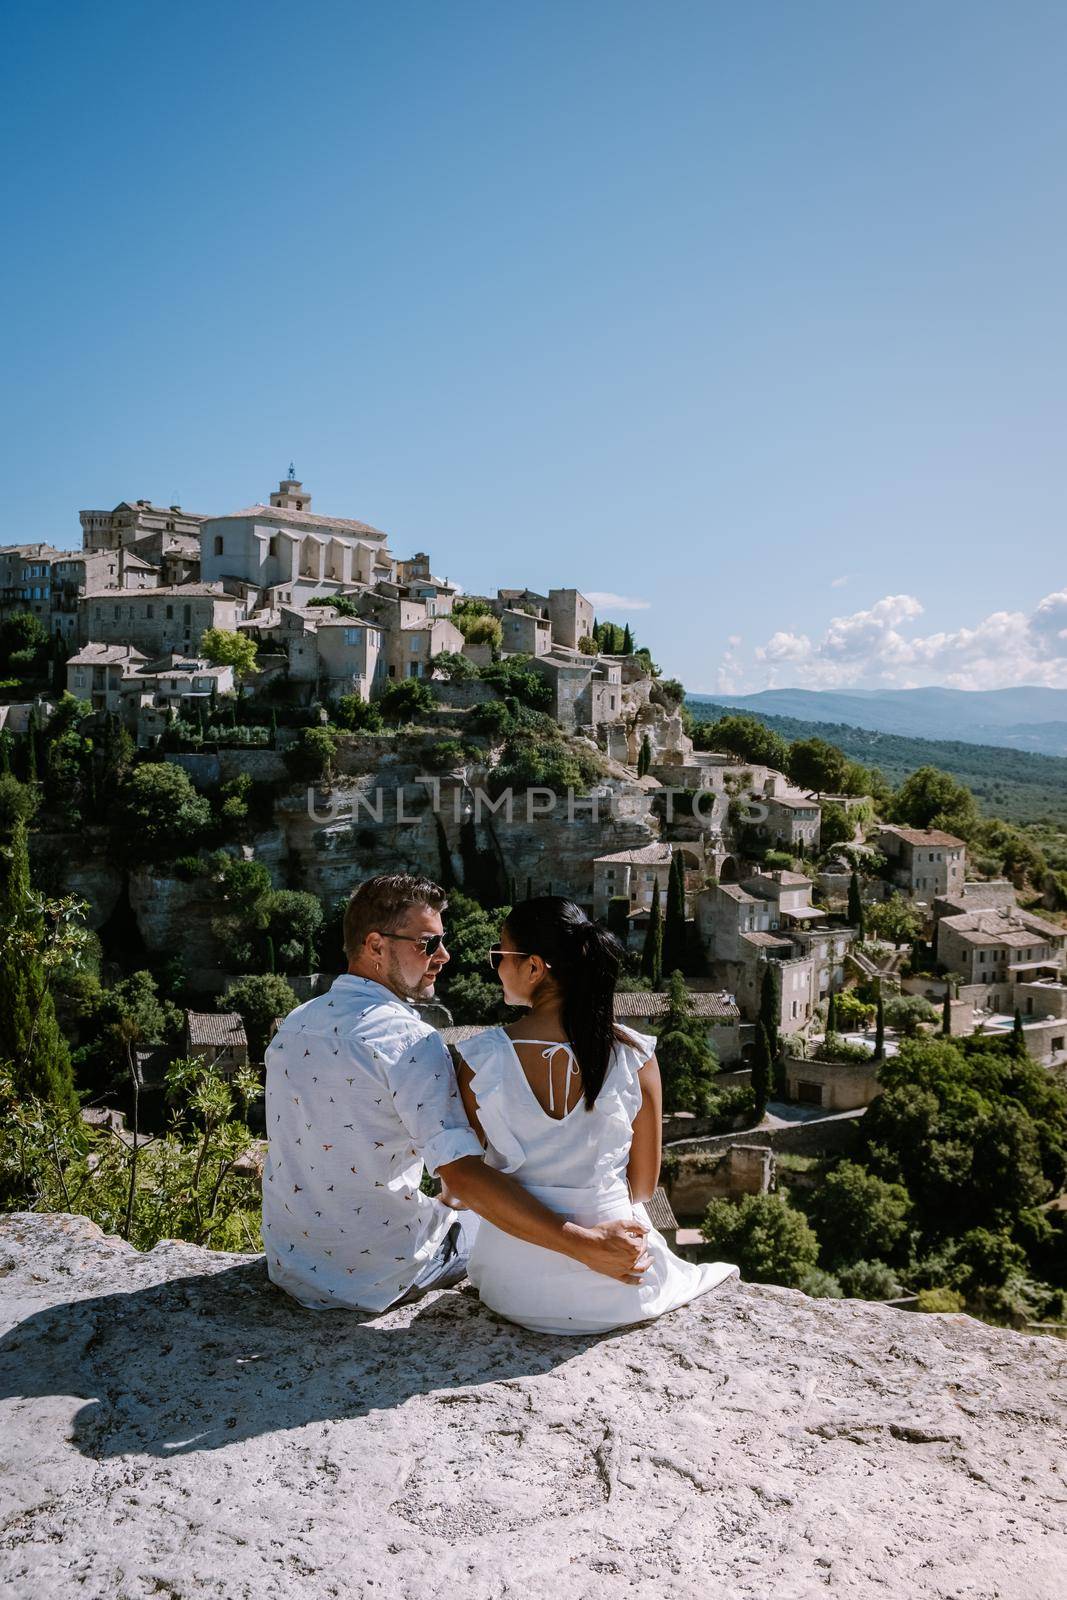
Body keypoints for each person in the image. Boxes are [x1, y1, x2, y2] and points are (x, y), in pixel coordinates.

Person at [262, 873, 650, 1312]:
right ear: (375, 946)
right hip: (377, 1275)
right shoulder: (409, 1040)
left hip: (291, 1262)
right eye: (427, 944)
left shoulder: (295, 1022)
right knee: (506, 1231)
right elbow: (463, 1176)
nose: (443, 956)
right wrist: (585, 1244)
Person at [451, 897, 739, 1335]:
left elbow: (468, 1179)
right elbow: (642, 1186)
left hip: (510, 1286)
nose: (495, 967)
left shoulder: (478, 1058)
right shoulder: (635, 1055)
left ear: (534, 967)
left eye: (499, 955)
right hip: (621, 1284)